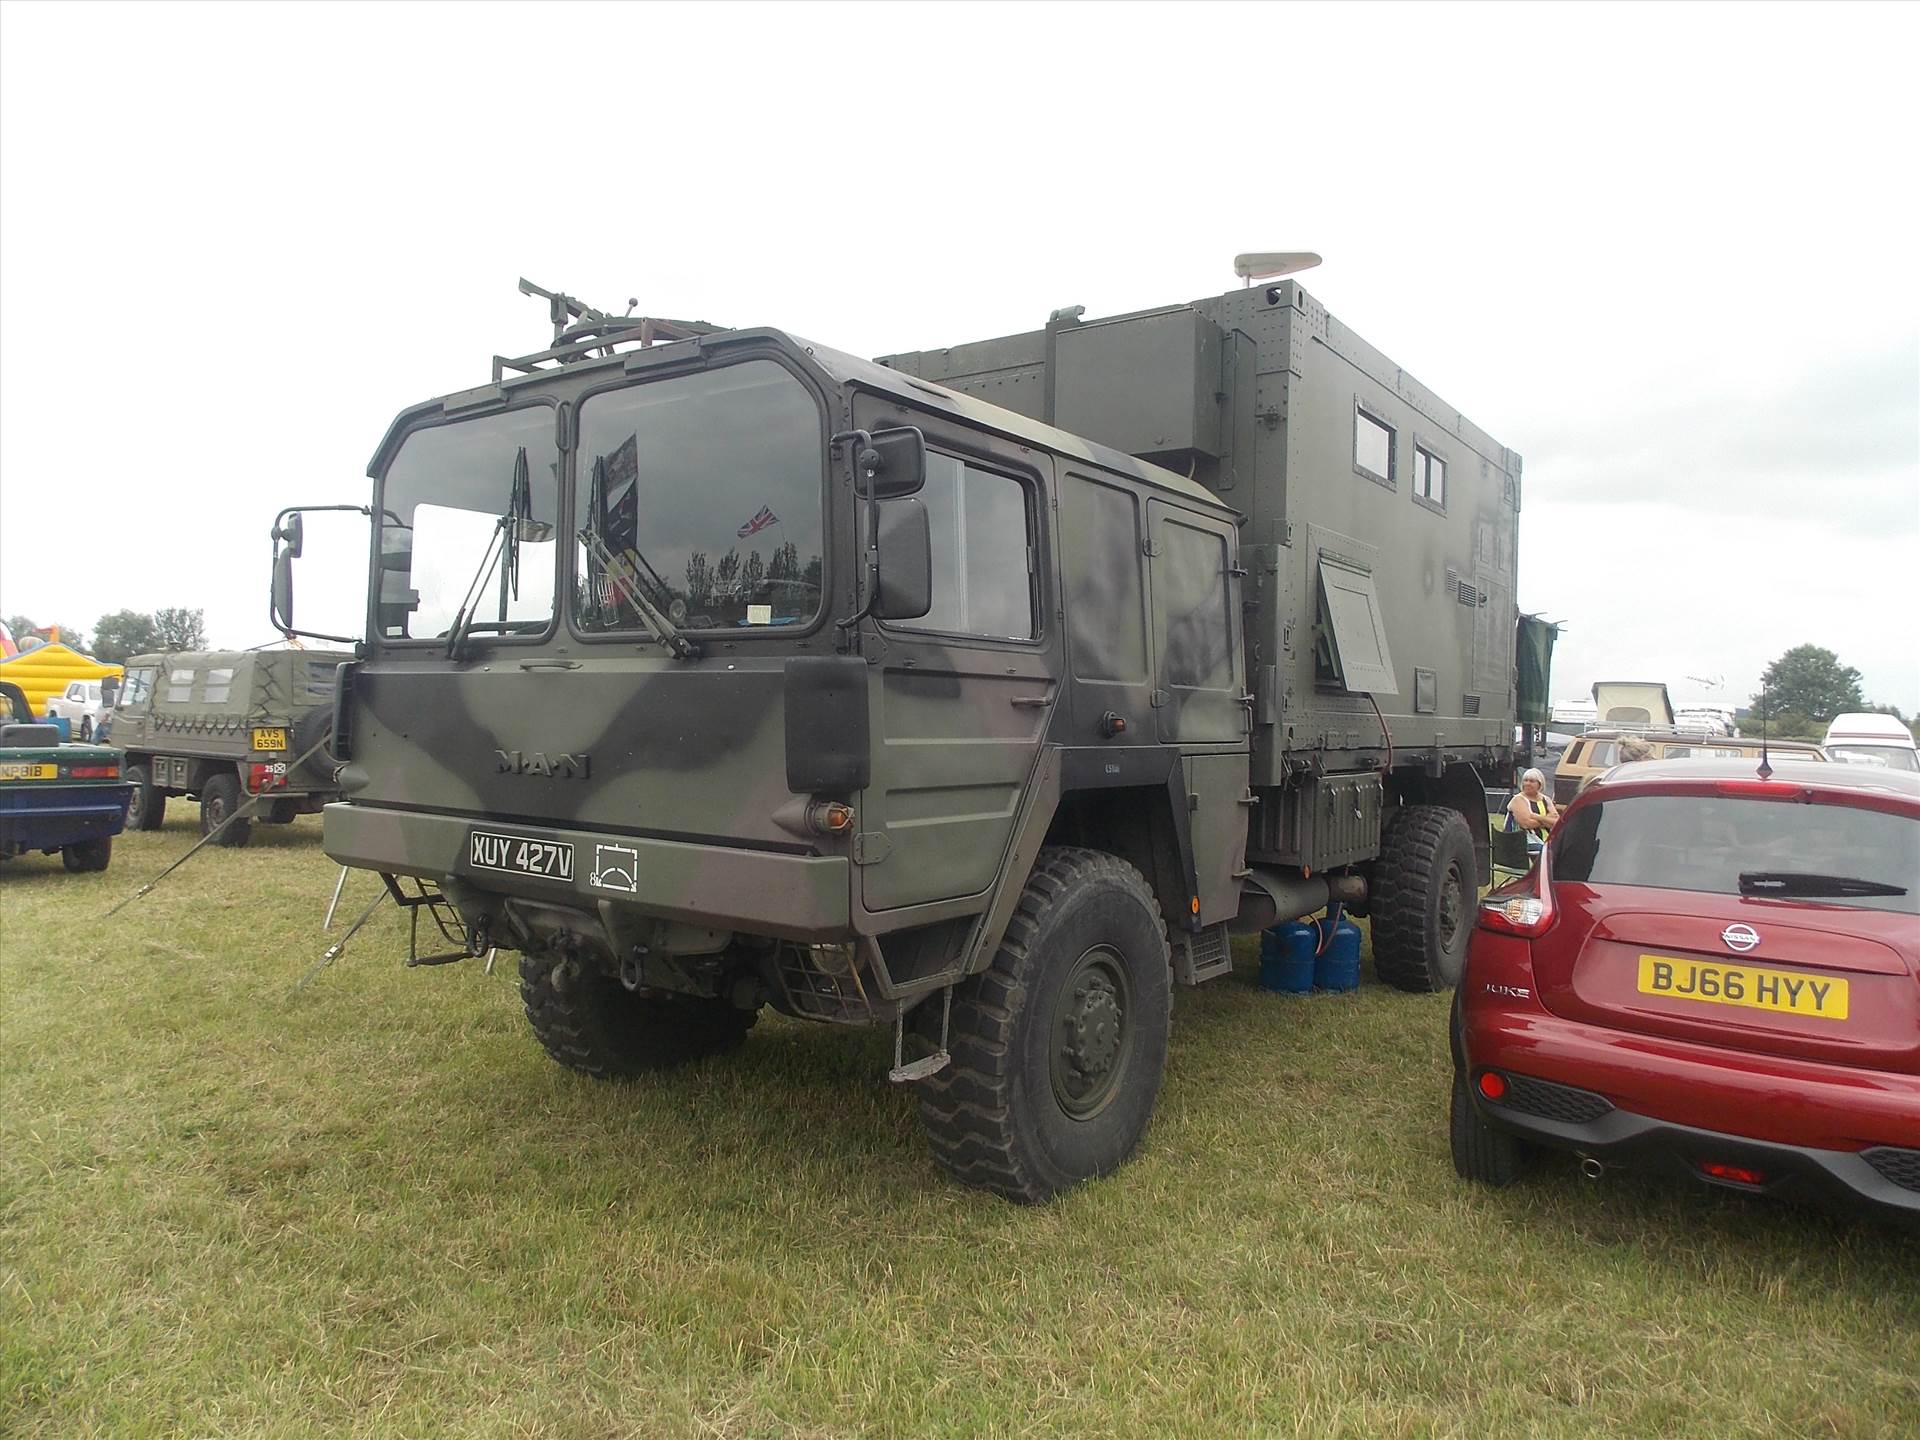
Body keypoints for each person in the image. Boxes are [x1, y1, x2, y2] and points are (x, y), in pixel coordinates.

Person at [1506, 768, 1560, 848]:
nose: (1527, 783)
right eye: (1525, 780)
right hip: (1521, 840)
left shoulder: (1546, 799)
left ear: (1540, 784)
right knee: (1543, 850)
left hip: (1544, 839)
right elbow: (1527, 824)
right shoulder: (1518, 799)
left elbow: (1556, 822)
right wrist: (1547, 819)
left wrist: (1537, 817)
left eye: (1531, 781)